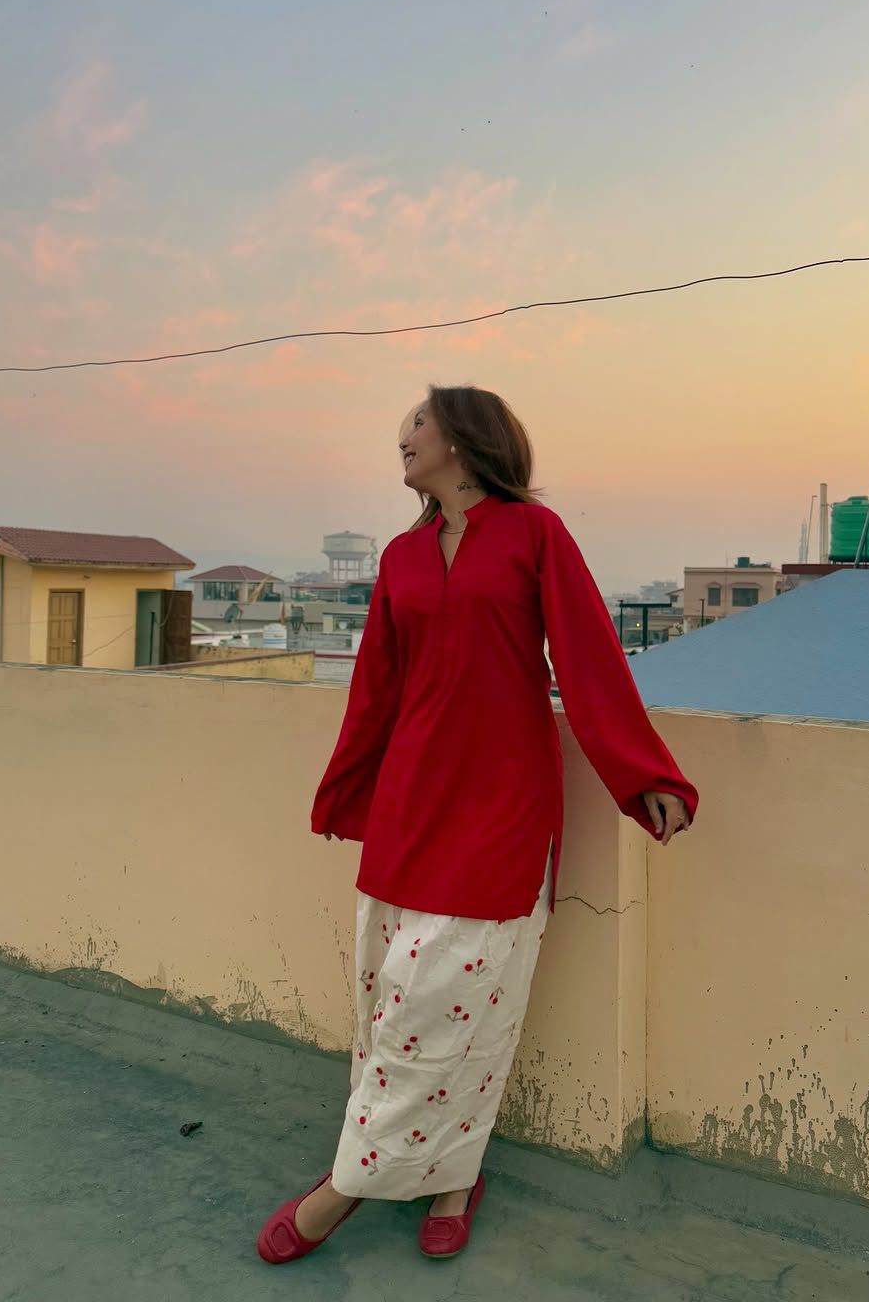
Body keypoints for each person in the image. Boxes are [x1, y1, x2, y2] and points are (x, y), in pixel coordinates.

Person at [257, 384, 698, 1263]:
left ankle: (342, 1189)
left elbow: (588, 655)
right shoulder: (400, 555)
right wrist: (350, 792)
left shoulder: (536, 535)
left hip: (504, 798)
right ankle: (452, 1174)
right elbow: (377, 684)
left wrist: (643, 773)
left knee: (458, 998)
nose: (402, 441)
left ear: (463, 437)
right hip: (415, 798)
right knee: (391, 999)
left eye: (415, 425)